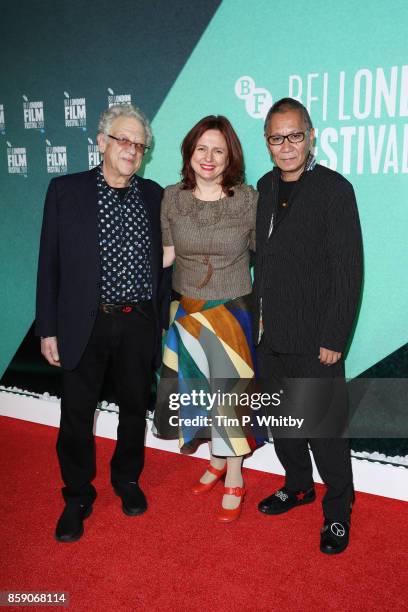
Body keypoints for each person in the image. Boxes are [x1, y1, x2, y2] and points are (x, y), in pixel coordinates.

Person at [36, 104, 170, 542]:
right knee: (76, 415)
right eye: (123, 140)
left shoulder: (155, 196)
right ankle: (76, 495)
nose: (132, 150)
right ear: (101, 141)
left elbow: (164, 265)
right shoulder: (65, 191)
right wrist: (47, 328)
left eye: (139, 144)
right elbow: (48, 264)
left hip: (137, 324)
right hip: (83, 325)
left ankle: (127, 480)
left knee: (134, 411)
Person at [253, 98, 363, 554]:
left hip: (316, 339)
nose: (286, 146)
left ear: (311, 135)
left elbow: (348, 269)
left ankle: (338, 510)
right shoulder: (262, 186)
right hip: (270, 336)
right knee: (284, 424)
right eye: (277, 138)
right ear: (268, 142)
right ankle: (297, 486)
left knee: (325, 432)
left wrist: (334, 337)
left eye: (294, 135)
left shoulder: (335, 189)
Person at [153, 115, 258, 522]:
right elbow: (166, 256)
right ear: (189, 153)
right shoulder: (171, 198)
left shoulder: (248, 199)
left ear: (230, 155)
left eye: (218, 149)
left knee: (229, 397)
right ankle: (216, 461)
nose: (209, 158)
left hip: (233, 309)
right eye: (201, 149)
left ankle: (235, 474)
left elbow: (262, 256)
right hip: (189, 309)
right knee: (199, 393)